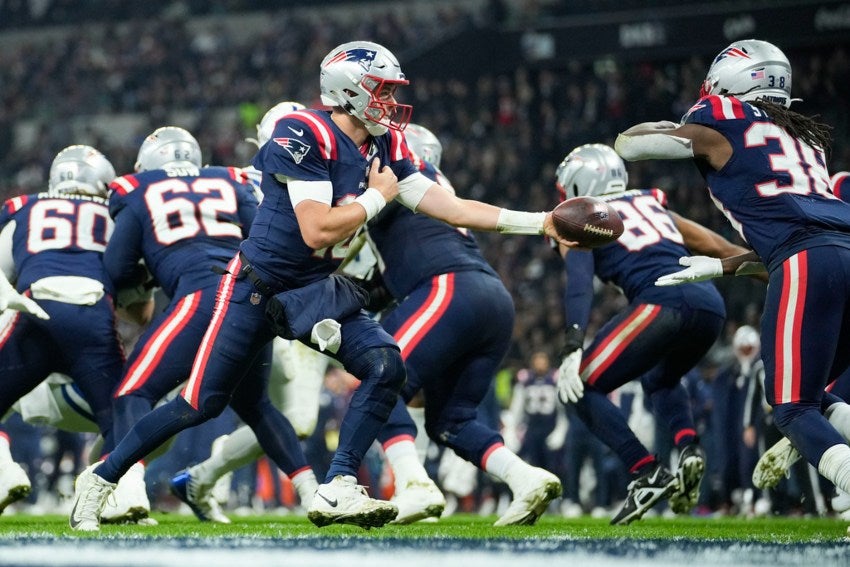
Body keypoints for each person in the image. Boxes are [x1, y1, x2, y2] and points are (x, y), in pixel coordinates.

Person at [69, 40, 569, 532]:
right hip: (255, 288)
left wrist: (542, 221)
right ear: (349, 91)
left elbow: (452, 208)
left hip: (312, 287)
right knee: (199, 404)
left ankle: (338, 485)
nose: (392, 101)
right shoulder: (303, 131)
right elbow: (317, 229)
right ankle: (102, 478)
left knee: (386, 364)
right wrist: (377, 198)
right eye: (383, 90)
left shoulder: (385, 143)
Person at [615, 38, 850, 520]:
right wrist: (725, 264)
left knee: (791, 406)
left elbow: (629, 145)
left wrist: (681, 124)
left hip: (808, 260)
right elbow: (802, 227)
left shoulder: (720, 117)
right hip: (835, 251)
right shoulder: (804, 139)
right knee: (813, 395)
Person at [369, 123, 561, 526]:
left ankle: (413, 485)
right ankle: (524, 477)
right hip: (491, 297)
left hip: (448, 289)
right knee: (451, 420)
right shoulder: (436, 186)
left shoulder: (392, 171)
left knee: (378, 381)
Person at [553, 143, 752, 524]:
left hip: (661, 303)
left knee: (580, 386)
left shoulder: (582, 216)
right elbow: (720, 247)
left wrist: (572, 343)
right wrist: (781, 274)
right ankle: (688, 447)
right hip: (709, 303)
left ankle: (645, 471)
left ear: (579, 184)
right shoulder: (651, 203)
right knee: (660, 377)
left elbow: (579, 283)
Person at [167, 103, 334, 523]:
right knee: (229, 402)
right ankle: (122, 475)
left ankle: (203, 475)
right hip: (264, 302)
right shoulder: (241, 182)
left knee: (296, 419)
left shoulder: (324, 177)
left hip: (305, 303)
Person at [0, 145, 124, 515]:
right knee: (125, 418)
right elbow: (136, 295)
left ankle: (4, 469)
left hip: (34, 311)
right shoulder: (115, 212)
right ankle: (123, 496)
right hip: (91, 318)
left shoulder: (24, 207)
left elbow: (4, 276)